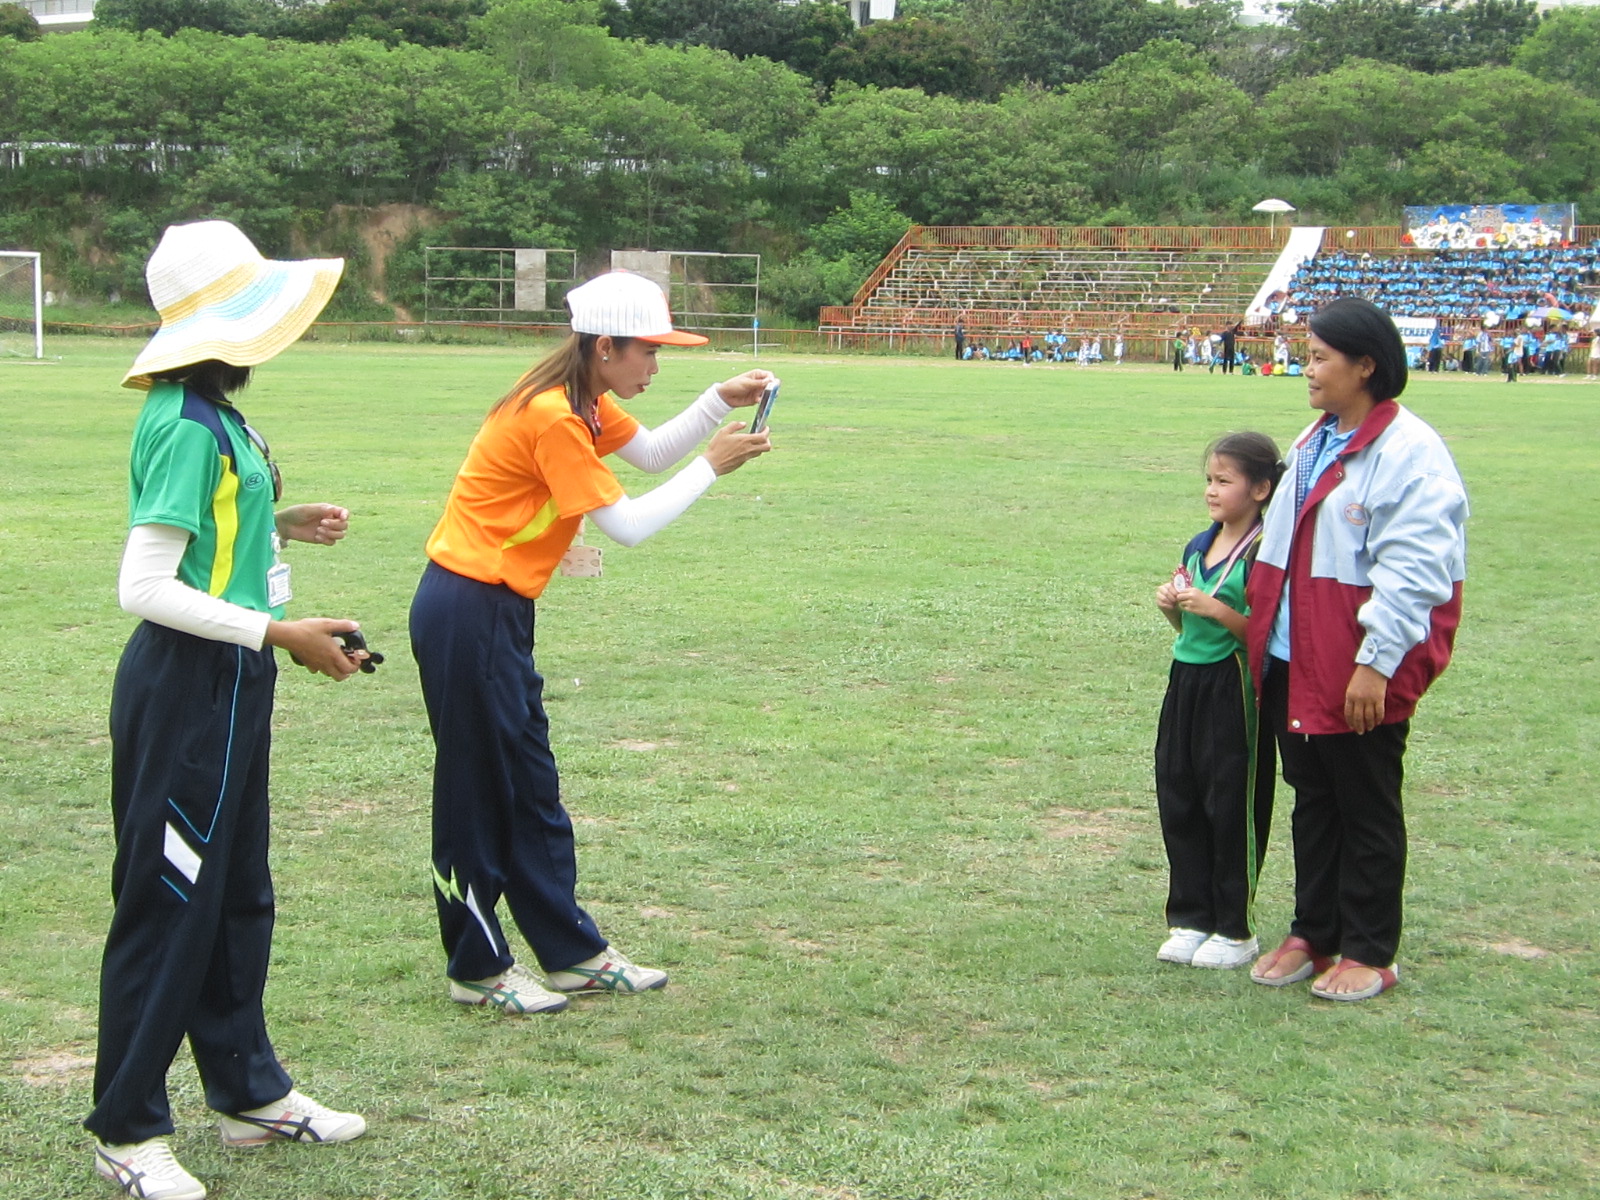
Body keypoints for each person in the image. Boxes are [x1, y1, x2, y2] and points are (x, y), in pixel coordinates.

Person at [88, 220, 369, 1200]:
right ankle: (126, 1129)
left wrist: (275, 524)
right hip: (187, 690)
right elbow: (144, 585)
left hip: (235, 682)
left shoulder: (220, 417)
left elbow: (212, 536)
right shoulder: (181, 422)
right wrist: (277, 632)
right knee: (168, 901)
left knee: (238, 891)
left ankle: (249, 1093)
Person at [410, 271, 773, 1016]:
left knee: (532, 787)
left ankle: (573, 955)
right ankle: (476, 967)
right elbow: (628, 525)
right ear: (605, 347)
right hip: (467, 611)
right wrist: (713, 465)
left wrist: (717, 401)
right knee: (476, 792)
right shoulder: (554, 416)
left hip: (497, 612)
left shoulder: (582, 400)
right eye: (649, 351)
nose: (656, 366)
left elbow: (649, 453)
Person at [1247, 298, 1468, 1002]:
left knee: (1365, 803)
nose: (1305, 369)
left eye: (1319, 358)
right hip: (1295, 657)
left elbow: (1416, 571)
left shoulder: (1410, 453)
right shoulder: (1315, 439)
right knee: (1313, 799)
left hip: (1357, 665)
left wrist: (1376, 664)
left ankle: (1370, 949)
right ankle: (1314, 933)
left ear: (1365, 365)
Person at [1153, 432, 1283, 970]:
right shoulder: (1197, 545)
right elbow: (1188, 628)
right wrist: (1172, 607)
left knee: (1228, 802)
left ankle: (1234, 926)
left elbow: (1266, 636)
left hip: (1233, 687)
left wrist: (1217, 610)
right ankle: (1191, 917)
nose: (1211, 490)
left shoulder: (1262, 552)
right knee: (1179, 793)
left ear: (1260, 489)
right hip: (1186, 680)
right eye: (1209, 479)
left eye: (1224, 481)